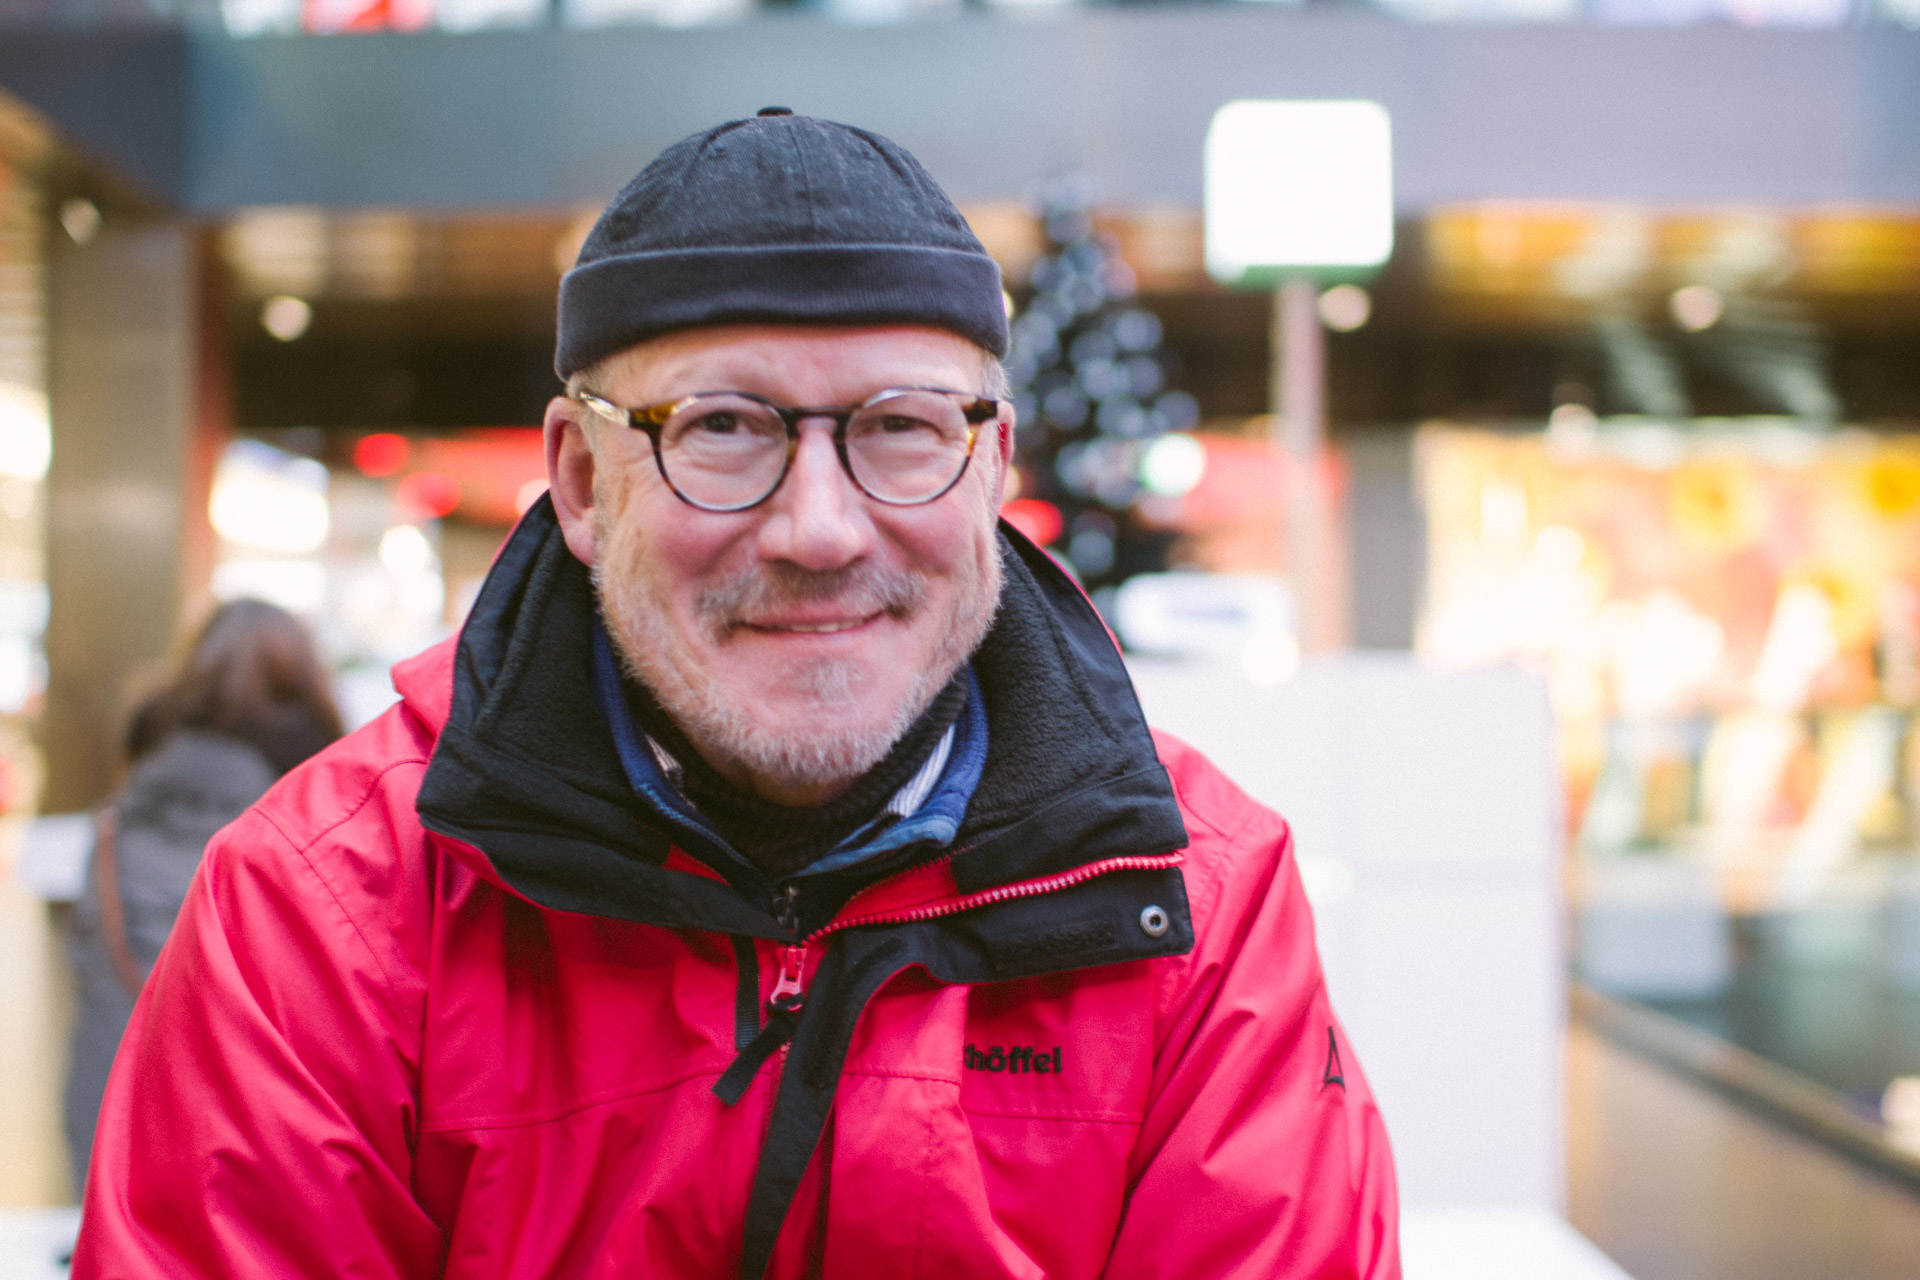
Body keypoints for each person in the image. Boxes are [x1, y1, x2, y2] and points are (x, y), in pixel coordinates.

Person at [75, 112, 1398, 1278]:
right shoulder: (328, 912)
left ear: (990, 470)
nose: (819, 530)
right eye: (722, 427)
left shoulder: (1195, 911)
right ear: (584, 484)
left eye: (900, 430)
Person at [61, 597, 342, 1191]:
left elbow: (92, 972)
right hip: (263, 1150)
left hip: (115, 1127)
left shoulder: (118, 825)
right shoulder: (322, 831)